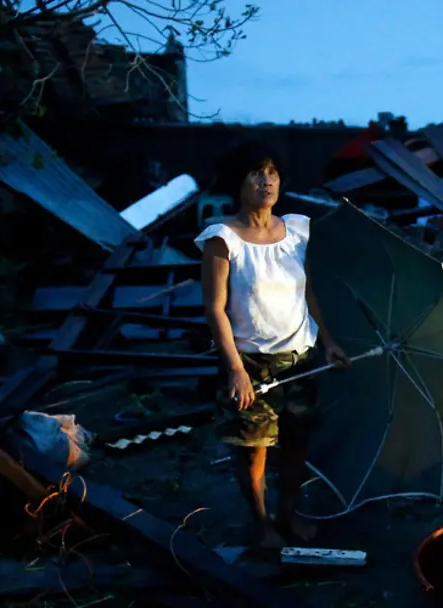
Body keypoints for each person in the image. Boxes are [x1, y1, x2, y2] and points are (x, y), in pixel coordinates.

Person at [195, 140, 350, 549]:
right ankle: (262, 523)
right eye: (255, 173)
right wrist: (235, 370)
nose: (266, 181)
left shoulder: (297, 229)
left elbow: (309, 293)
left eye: (273, 174)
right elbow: (215, 309)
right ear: (238, 182)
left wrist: (328, 341)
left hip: (301, 359)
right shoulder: (222, 238)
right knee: (254, 451)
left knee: (297, 446)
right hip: (251, 364)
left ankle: (288, 513)